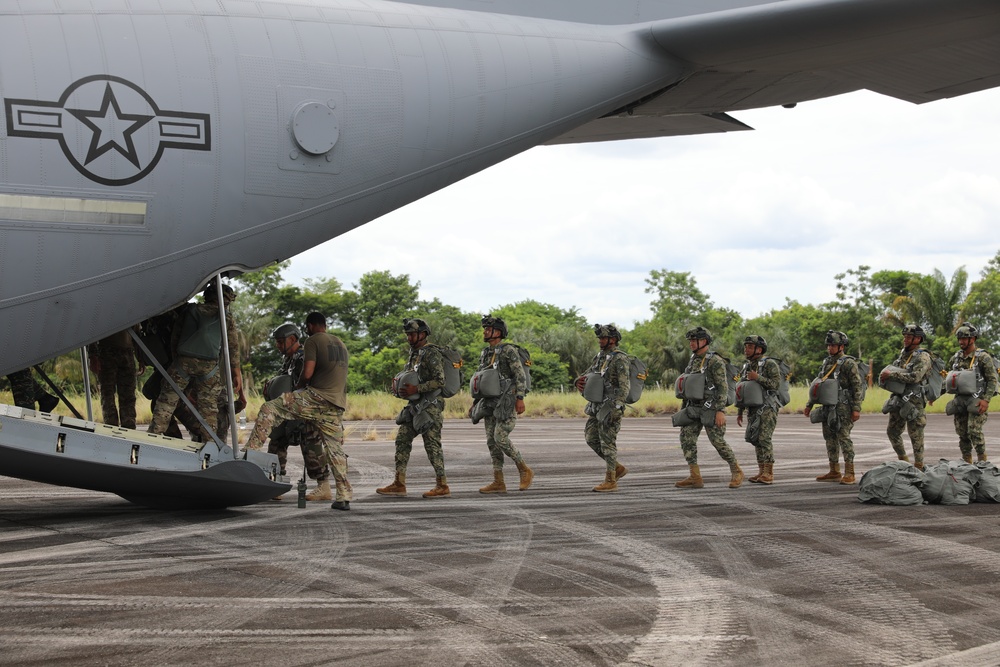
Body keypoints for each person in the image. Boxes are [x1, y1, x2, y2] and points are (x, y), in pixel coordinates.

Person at [244, 312, 353, 510]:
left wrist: (299, 390)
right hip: (336, 404)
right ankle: (343, 496)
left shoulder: (312, 342)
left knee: (269, 408)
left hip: (315, 399)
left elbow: (307, 374)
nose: (278, 346)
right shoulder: (340, 344)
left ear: (309, 326)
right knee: (335, 450)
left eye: (280, 342)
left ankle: (248, 456)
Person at [148, 282, 242, 441]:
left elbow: (175, 338)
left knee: (166, 402)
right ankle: (210, 443)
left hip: (183, 362)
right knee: (209, 410)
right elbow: (232, 347)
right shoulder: (226, 318)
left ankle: (154, 435)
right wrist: (236, 373)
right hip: (209, 367)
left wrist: (177, 361)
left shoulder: (190, 310)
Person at [377, 318, 451, 498]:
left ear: (423, 334)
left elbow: (440, 381)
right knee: (402, 439)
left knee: (432, 445)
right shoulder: (415, 354)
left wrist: (416, 389)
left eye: (412, 334)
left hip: (431, 407)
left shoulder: (431, 353)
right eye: (408, 334)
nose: (409, 337)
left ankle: (442, 485)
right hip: (416, 406)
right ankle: (399, 483)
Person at [470, 314, 533, 494]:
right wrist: (476, 402)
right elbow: (481, 379)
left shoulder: (508, 351)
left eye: (488, 329)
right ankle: (498, 481)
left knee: (500, 438)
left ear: (497, 332)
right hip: (489, 403)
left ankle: (524, 470)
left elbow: (520, 375)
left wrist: (520, 399)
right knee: (492, 442)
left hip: (507, 402)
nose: (484, 331)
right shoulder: (485, 353)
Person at [674, 326, 744, 489]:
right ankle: (695, 476)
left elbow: (722, 387)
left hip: (711, 407)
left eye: (694, 340)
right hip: (693, 407)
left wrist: (720, 410)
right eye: (690, 340)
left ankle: (736, 471)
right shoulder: (693, 360)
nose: (691, 343)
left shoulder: (715, 361)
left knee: (718, 441)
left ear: (704, 341)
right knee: (686, 439)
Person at [262, 323, 327, 486]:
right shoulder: (289, 360)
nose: (277, 345)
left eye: (280, 341)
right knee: (276, 441)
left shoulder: (303, 357)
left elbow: (308, 383)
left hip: (304, 411)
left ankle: (323, 485)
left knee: (312, 448)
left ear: (292, 339)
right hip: (287, 410)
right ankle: (275, 481)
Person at [574, 323, 629, 492]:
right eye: (599, 338)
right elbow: (588, 373)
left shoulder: (620, 359)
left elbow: (624, 385)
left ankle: (611, 480)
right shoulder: (600, 357)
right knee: (591, 438)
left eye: (603, 338)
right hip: (596, 406)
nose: (600, 340)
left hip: (611, 406)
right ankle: (617, 468)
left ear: (613, 340)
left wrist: (617, 407)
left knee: (608, 443)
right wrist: (578, 380)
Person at [803, 330, 863, 484]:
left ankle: (850, 472)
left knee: (844, 438)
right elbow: (819, 384)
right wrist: (810, 404)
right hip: (828, 407)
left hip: (844, 407)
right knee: (829, 438)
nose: (829, 348)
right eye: (828, 345)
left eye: (833, 345)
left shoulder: (849, 363)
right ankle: (834, 470)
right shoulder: (826, 362)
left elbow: (857, 386)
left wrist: (856, 409)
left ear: (842, 346)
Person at [880, 324, 932, 470]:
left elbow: (916, 377)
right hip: (899, 399)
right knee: (893, 432)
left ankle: (919, 467)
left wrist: (892, 375)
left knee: (916, 435)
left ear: (918, 339)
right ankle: (904, 462)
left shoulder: (923, 356)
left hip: (915, 401)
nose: (905, 339)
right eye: (905, 336)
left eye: (909, 337)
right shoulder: (903, 354)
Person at [947, 323, 997, 464]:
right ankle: (966, 462)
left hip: (977, 401)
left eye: (964, 338)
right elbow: (950, 379)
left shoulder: (983, 357)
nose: (961, 342)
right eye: (959, 339)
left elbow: (992, 380)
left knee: (974, 431)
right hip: (960, 401)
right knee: (962, 433)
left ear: (973, 339)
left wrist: (986, 400)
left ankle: (982, 462)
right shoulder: (955, 358)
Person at [736, 335, 781, 484]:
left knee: (764, 439)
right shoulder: (747, 366)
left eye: (750, 347)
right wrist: (740, 411)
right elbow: (742, 390)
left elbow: (775, 384)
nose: (746, 349)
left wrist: (758, 378)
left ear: (759, 349)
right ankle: (761, 471)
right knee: (755, 439)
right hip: (753, 409)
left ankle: (769, 473)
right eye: (746, 346)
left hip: (767, 407)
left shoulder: (769, 364)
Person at [87, 329, 143, 429]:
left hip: (127, 351)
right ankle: (111, 425)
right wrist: (93, 355)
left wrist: (140, 357)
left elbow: (136, 332)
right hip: (106, 350)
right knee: (108, 393)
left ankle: (128, 426)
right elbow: (93, 330)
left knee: (128, 393)